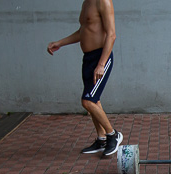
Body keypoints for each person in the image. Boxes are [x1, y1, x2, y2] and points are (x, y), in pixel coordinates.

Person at [47, 0, 122, 156]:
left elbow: (112, 35)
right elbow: (83, 31)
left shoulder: (103, 2)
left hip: (101, 58)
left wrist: (101, 64)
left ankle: (113, 134)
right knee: (95, 100)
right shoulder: (86, 2)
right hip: (88, 59)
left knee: (87, 101)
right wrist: (60, 43)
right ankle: (101, 139)